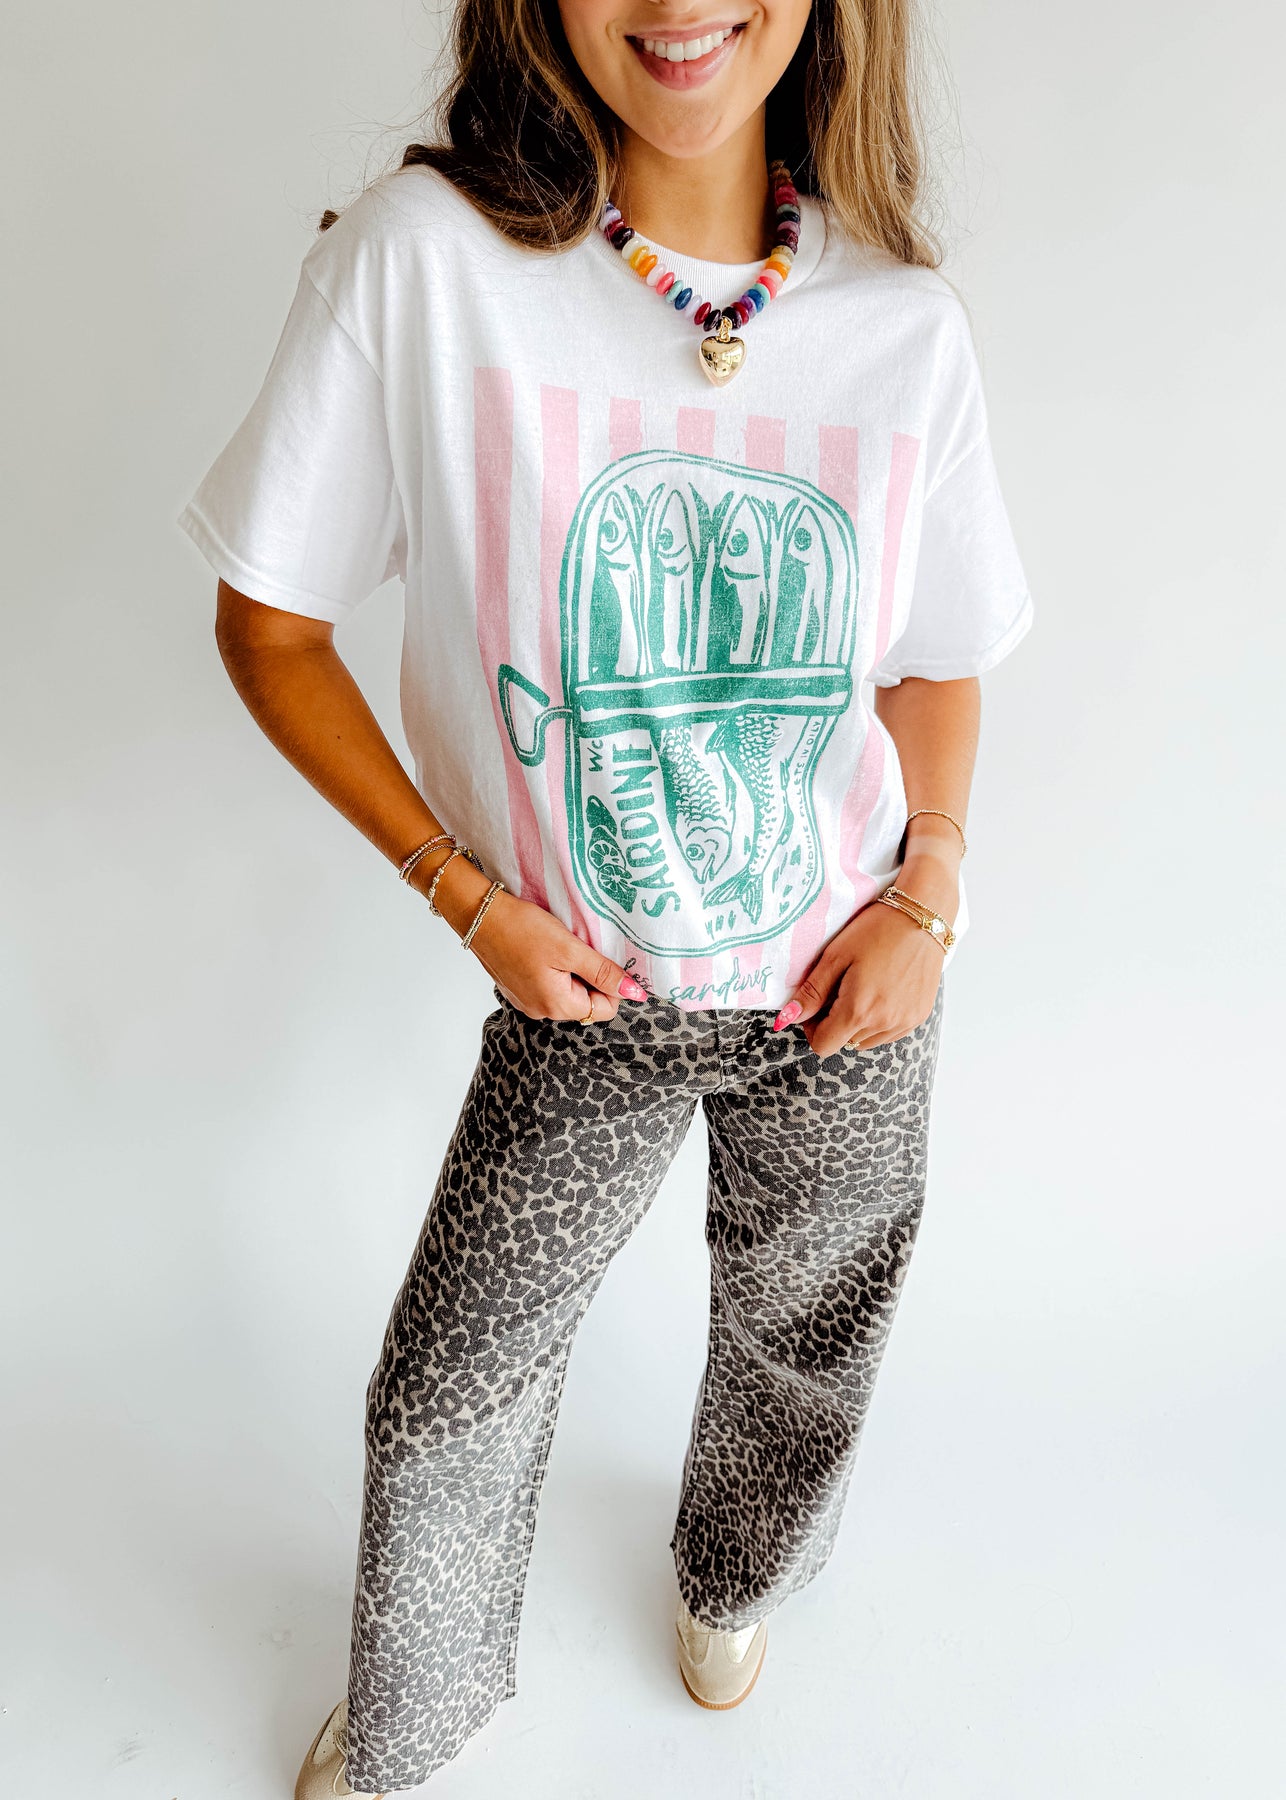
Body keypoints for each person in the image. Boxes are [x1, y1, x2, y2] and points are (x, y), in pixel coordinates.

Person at [176, 0, 1033, 1786]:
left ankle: (738, 1576)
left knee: (813, 1322)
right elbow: (271, 620)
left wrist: (928, 897)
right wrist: (462, 892)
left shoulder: (901, 325)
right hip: (581, 988)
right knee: (449, 1388)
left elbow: (935, 656)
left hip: (845, 981)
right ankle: (409, 1715)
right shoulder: (427, 265)